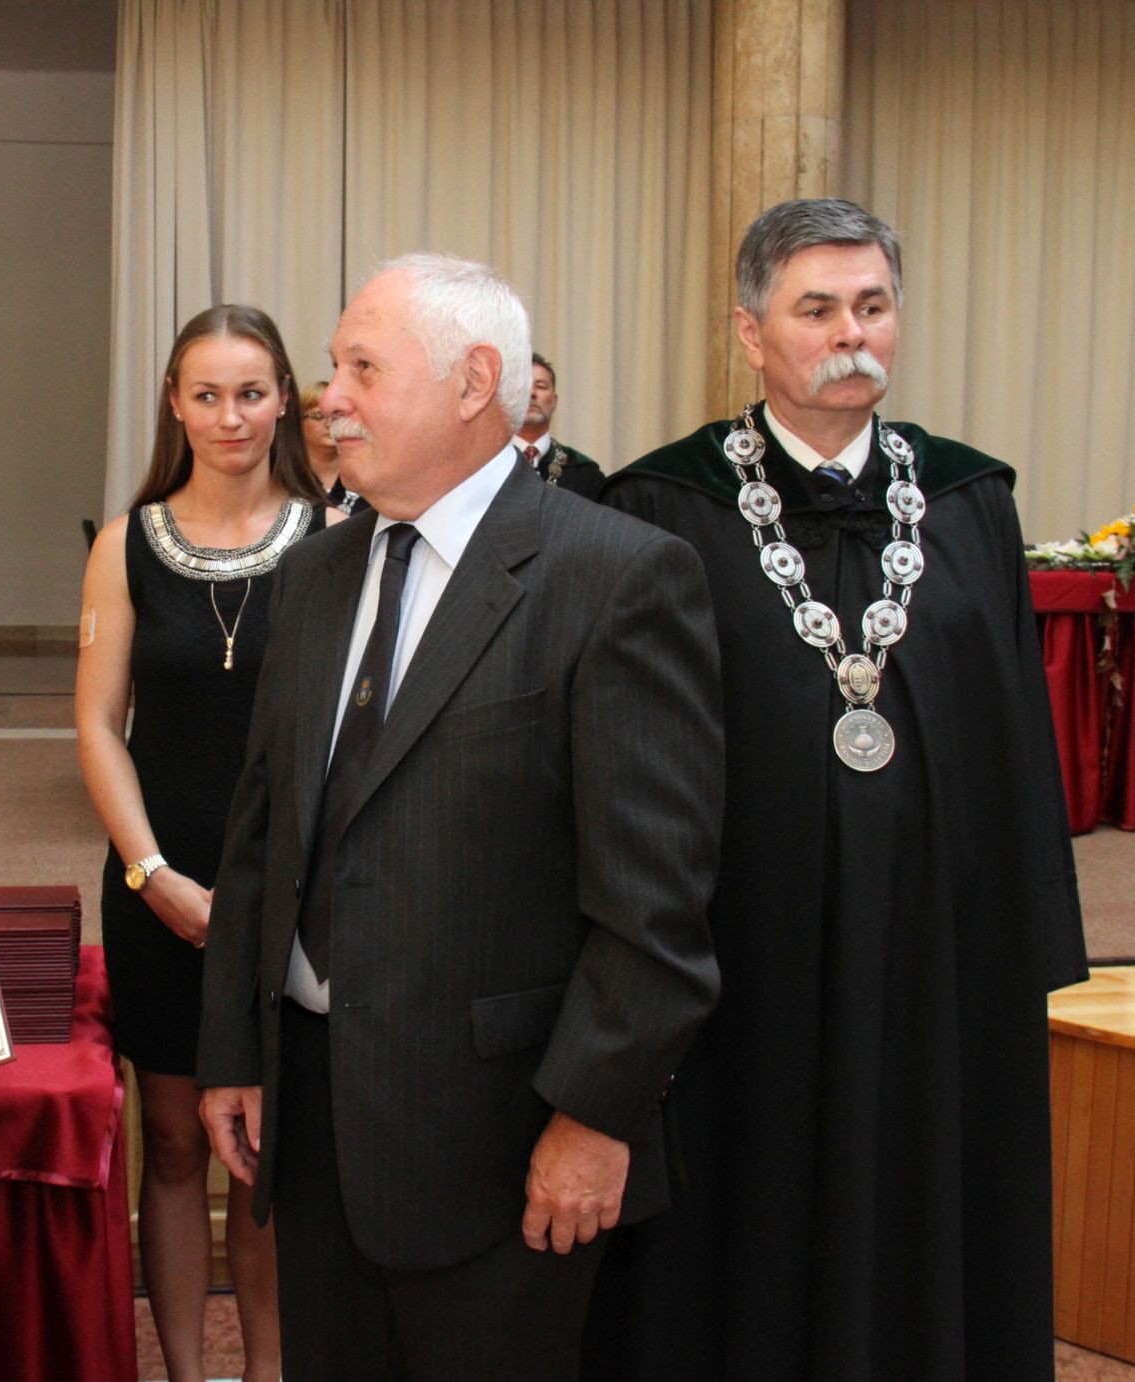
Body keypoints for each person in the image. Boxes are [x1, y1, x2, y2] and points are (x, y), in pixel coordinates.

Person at [583, 198, 1089, 1381]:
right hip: (741, 963)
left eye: (872, 305)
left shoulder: (970, 500)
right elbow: (626, 760)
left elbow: (1015, 738)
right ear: (750, 332)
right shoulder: (661, 507)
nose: (849, 333)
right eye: (816, 308)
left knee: (925, 1193)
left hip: (934, 957)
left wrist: (1022, 935)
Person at [196, 253, 723, 1380]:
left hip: (502, 1145)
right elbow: (260, 836)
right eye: (333, 369)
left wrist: (594, 1119)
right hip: (315, 1119)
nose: (328, 399)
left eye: (362, 368)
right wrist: (236, 1046)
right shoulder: (315, 573)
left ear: (475, 381)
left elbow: (656, 905)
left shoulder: (616, 576)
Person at [77, 303, 337, 1382]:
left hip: (296, 893)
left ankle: (269, 1370)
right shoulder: (124, 544)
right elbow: (99, 725)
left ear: (284, 402)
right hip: (160, 883)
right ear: (174, 405)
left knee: (267, 1151)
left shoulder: (338, 540)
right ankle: (186, 1371)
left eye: (251, 392)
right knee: (179, 1142)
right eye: (207, 394)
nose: (231, 416)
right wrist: (152, 876)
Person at [513, 353, 604, 499]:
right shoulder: (486, 463)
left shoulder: (584, 472)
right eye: (524, 386)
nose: (532, 393)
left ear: (554, 401)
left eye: (541, 386)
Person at [299, 379, 364, 513]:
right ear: (299, 422)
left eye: (336, 416)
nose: (329, 424)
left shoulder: (364, 474)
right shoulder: (289, 478)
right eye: (318, 416)